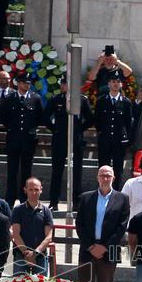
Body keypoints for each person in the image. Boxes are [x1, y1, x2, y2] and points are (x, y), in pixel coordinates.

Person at [75, 166, 130, 282]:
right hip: (87, 250)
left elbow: (121, 227)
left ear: (113, 178)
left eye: (108, 176)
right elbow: (79, 225)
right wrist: (91, 247)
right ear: (97, 178)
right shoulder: (85, 198)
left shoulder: (123, 199)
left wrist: (104, 247)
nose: (105, 178)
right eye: (102, 175)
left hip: (109, 251)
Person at [46, 75, 93, 206]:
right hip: (60, 140)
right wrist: (55, 129)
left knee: (76, 171)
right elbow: (46, 117)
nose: (62, 86)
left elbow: (90, 118)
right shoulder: (56, 100)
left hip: (76, 141)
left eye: (65, 83)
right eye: (62, 83)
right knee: (57, 171)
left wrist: (79, 129)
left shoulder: (81, 100)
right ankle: (53, 201)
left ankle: (76, 202)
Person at [0, 73, 44, 203]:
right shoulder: (9, 98)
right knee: (12, 171)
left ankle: (24, 198)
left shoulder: (35, 98)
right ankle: (10, 198)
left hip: (28, 140)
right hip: (13, 139)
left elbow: (39, 118)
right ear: (18, 83)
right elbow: (3, 117)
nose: (27, 85)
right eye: (24, 82)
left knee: (26, 171)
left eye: (28, 83)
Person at [94, 71, 134, 187]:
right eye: (113, 82)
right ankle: (102, 190)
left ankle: (116, 192)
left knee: (118, 169)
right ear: (109, 84)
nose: (115, 84)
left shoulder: (126, 103)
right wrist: (102, 132)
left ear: (121, 84)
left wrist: (128, 139)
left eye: (118, 82)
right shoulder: (102, 101)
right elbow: (97, 120)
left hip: (119, 141)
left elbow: (128, 123)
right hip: (105, 140)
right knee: (103, 168)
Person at [10, 178, 53, 276]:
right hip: (21, 255)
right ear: (25, 190)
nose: (34, 192)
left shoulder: (47, 211)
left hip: (41, 255)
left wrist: (35, 253)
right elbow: (16, 234)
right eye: (31, 189)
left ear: (41, 190)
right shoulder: (18, 210)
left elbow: (49, 237)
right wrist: (27, 253)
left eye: (36, 189)